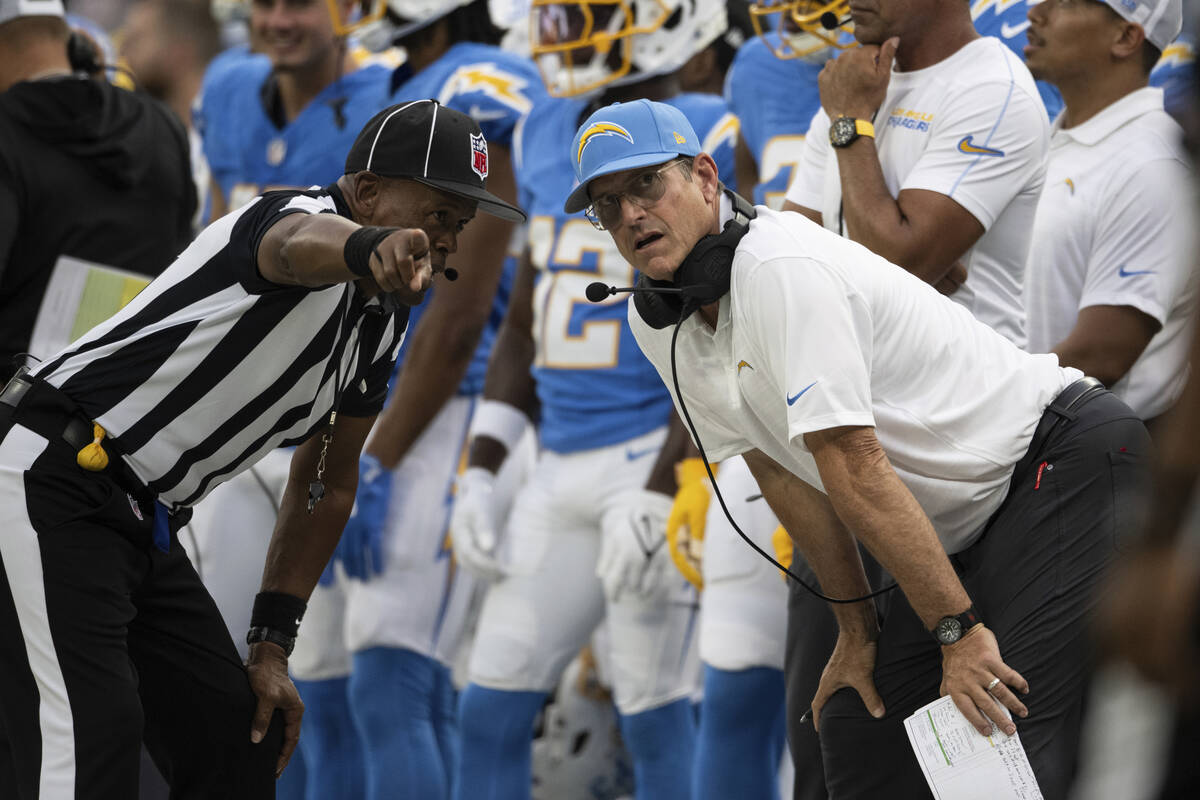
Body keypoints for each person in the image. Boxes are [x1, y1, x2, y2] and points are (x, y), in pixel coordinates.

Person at [571, 97, 1152, 800]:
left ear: (703, 176)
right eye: (606, 203)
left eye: (644, 185)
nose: (629, 214)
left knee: (1003, 750)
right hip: (958, 515)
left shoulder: (778, 266)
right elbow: (779, 471)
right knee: (853, 722)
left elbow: (851, 460)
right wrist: (856, 629)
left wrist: (957, 633)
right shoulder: (655, 316)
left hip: (1058, 462)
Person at [0, 99, 523, 799]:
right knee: (89, 737)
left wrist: (272, 644)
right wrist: (370, 247)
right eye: (437, 216)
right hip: (51, 471)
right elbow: (293, 246)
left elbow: (328, 477)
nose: (449, 242)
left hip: (141, 515)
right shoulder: (286, 217)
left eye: (459, 226)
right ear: (367, 192)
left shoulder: (381, 320)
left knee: (237, 738)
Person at [450, 1, 738, 797]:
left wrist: (663, 489)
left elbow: (723, 327)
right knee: (488, 707)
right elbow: (525, 316)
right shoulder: (545, 126)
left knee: (655, 716)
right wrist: (483, 464)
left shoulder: (707, 124)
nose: (560, 22)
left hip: (652, 451)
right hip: (557, 463)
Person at [330, 1, 546, 798]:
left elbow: (456, 300)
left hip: (436, 405)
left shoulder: (482, 87)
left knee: (395, 676)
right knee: (322, 687)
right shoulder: (373, 85)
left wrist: (373, 458)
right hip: (352, 396)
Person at [781, 0, 1049, 347]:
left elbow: (896, 269)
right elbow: (787, 257)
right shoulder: (854, 82)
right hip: (868, 381)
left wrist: (848, 120)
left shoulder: (995, 92)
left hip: (964, 393)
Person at [0, 0, 195, 384]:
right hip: (129, 406)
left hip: (15, 414)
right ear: (73, 43)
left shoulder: (6, 135)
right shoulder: (162, 126)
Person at [1023, 0, 1192, 434]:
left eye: (1067, 3)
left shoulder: (1154, 165)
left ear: (1126, 37)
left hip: (1082, 468)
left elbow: (1102, 355)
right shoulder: (1052, 138)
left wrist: (975, 399)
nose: (1035, 12)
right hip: (1021, 442)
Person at [117, 0, 221, 231]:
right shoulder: (152, 136)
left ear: (180, 49)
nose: (123, 51)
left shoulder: (226, 137)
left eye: (137, 39)